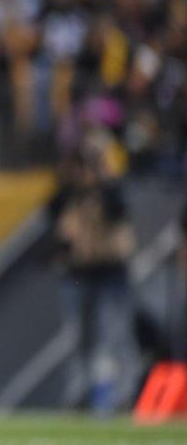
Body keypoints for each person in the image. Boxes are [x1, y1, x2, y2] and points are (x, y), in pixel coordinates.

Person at [49, 145, 139, 414]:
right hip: (80, 273)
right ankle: (79, 395)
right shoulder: (73, 195)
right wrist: (68, 180)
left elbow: (119, 211)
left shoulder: (111, 190)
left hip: (111, 272)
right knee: (79, 340)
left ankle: (125, 395)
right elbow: (51, 212)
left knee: (116, 336)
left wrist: (104, 179)